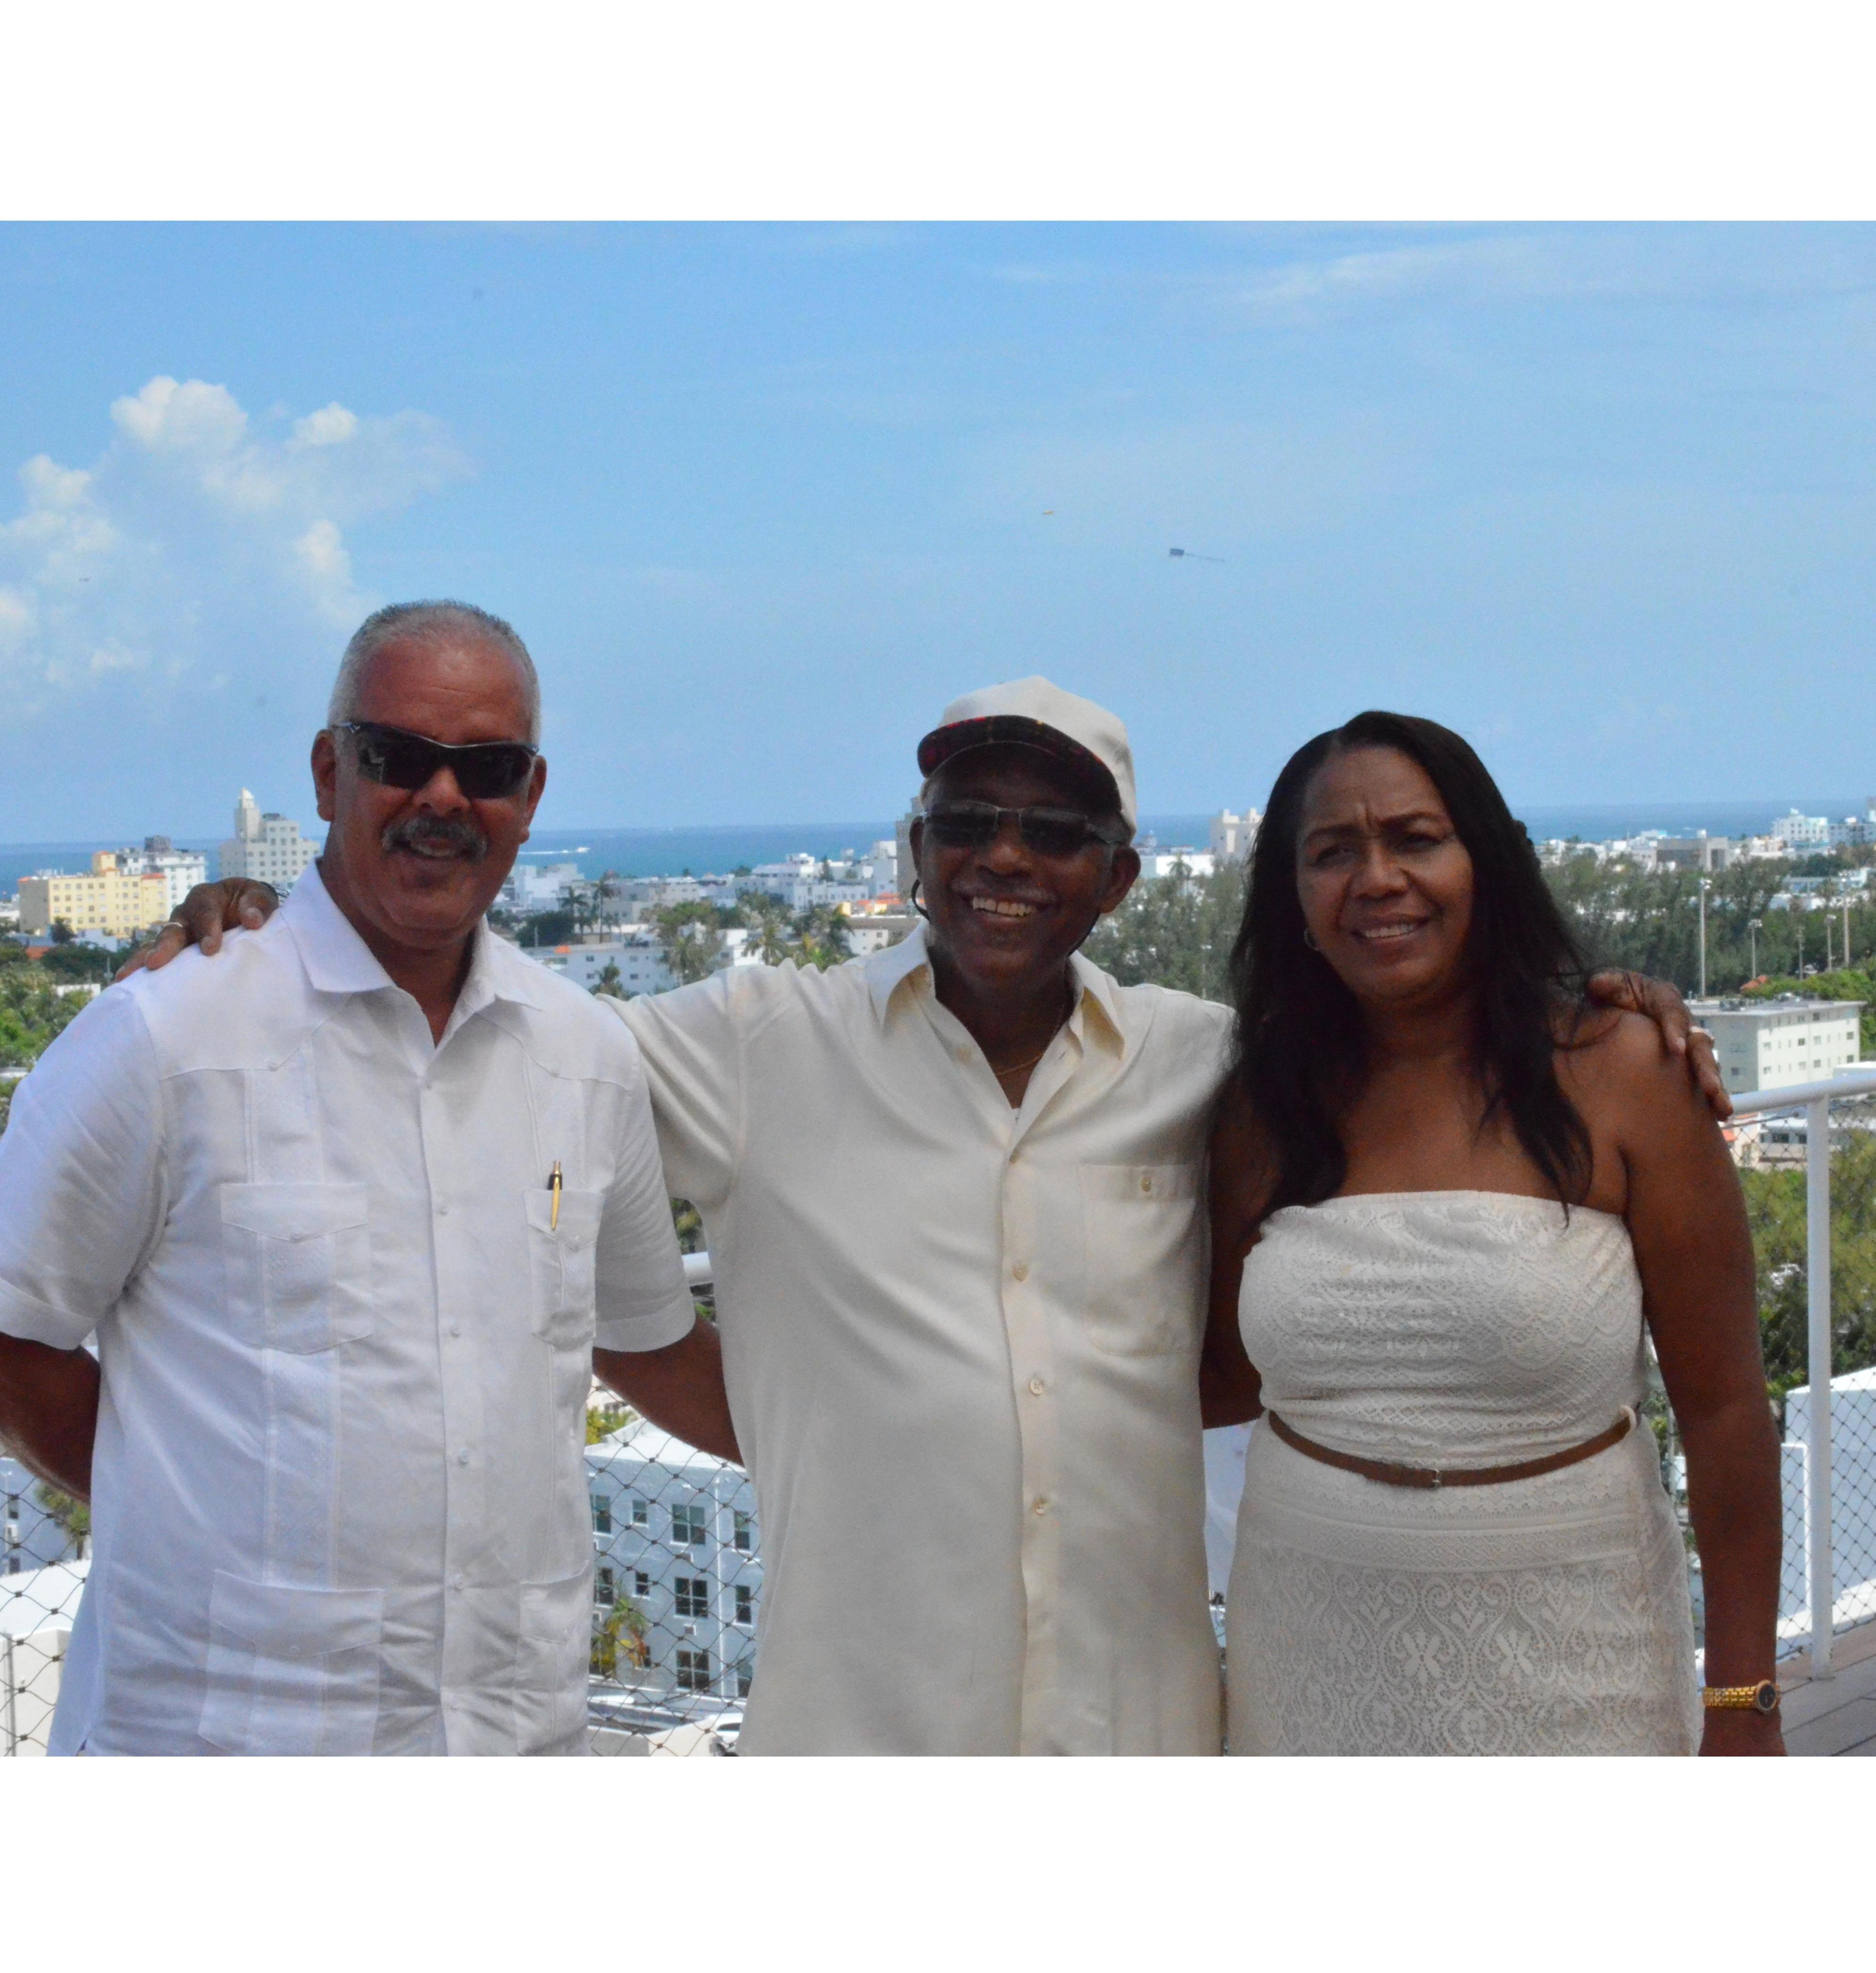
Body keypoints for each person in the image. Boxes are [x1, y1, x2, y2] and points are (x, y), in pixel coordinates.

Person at [144, 679, 1726, 1755]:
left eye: (1052, 832)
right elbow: (508, 1057)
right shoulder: (762, 1041)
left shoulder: (1208, 1065)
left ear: (1116, 878)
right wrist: (299, 924)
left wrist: (1613, 1008)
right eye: (967, 819)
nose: (1002, 859)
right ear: (913, 854)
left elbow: (1259, 1327)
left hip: (1144, 1735)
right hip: (864, 1733)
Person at [0, 600, 730, 1754]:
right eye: (398, 758)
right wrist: (196, 1524)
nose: (444, 799)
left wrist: (918, 1437)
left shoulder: (586, 1057)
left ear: (532, 797)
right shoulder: (168, 1034)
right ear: (327, 771)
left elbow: (648, 1342)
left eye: (487, 768)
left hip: (510, 1744)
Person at [1200, 711, 1784, 1755]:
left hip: (1574, 1653)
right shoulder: (1261, 1104)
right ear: (1293, 900)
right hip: (1307, 1651)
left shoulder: (1626, 1072)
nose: (1377, 880)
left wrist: (1742, 1699)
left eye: (1416, 838)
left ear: (1487, 861)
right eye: (1333, 853)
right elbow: (1216, 1380)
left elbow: (1730, 1409)